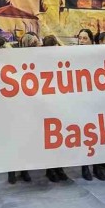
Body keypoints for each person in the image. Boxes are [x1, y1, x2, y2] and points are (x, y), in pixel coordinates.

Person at [3, 33, 39, 184]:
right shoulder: (14, 58)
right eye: (34, 44)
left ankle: (24, 169)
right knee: (14, 137)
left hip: (29, 104)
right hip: (14, 105)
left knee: (26, 138)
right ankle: (11, 170)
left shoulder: (36, 58)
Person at [76, 28, 105, 181]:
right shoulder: (73, 55)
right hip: (81, 101)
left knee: (98, 133)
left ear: (91, 41)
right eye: (80, 38)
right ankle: (84, 167)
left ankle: (97, 166)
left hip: (97, 100)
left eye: (85, 38)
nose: (82, 41)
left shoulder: (98, 55)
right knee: (84, 134)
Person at [41, 35, 68, 182]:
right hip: (48, 104)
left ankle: (57, 168)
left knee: (58, 137)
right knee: (52, 138)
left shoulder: (61, 58)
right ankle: (51, 169)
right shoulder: (41, 61)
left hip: (58, 102)